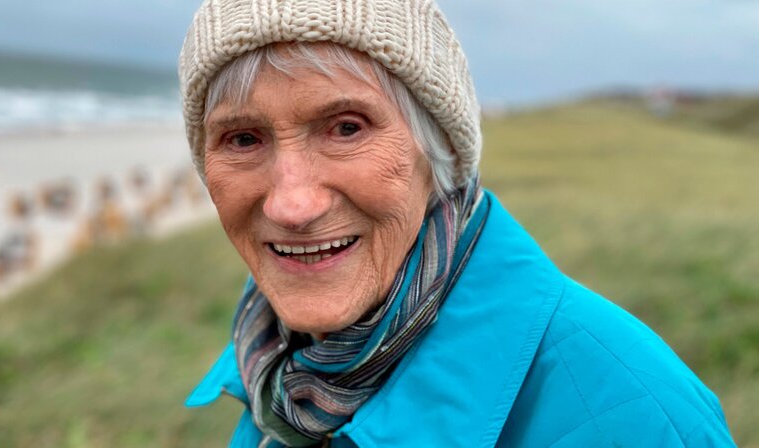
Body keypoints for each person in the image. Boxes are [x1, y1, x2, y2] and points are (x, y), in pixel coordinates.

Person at [178, 0, 736, 446]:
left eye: (346, 128)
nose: (292, 204)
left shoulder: (635, 414)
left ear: (440, 149)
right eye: (243, 139)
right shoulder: (282, 376)